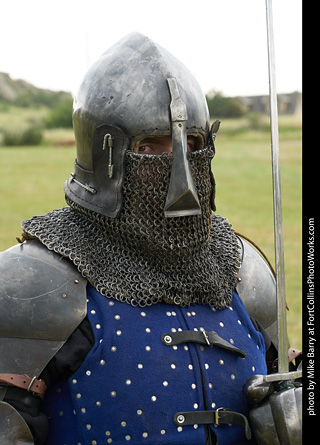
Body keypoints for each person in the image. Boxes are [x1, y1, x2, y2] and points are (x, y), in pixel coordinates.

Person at [0, 32, 301, 445]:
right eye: (150, 146)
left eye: (190, 143)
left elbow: (284, 396)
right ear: (104, 155)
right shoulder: (34, 283)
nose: (178, 168)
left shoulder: (244, 272)